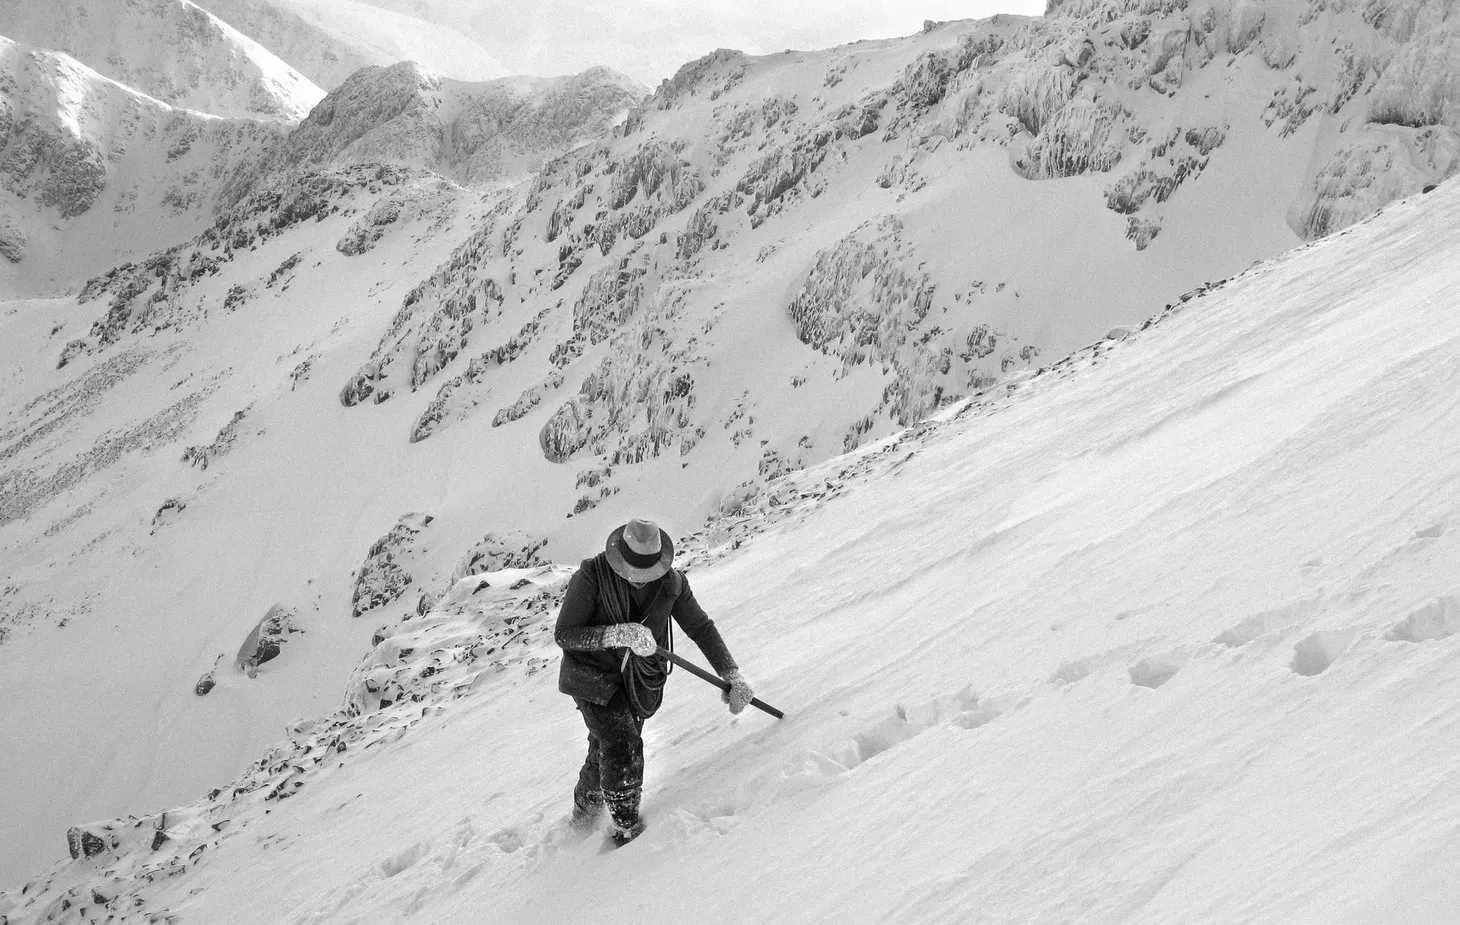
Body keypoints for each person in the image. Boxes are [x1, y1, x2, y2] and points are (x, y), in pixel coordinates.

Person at [555, 517, 754, 846]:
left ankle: (583, 817)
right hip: (590, 676)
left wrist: (731, 674)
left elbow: (700, 628)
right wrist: (618, 634)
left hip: (636, 681)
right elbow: (565, 634)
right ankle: (626, 830)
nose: (638, 580)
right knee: (623, 743)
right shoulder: (591, 577)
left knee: (604, 749)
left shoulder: (672, 586)